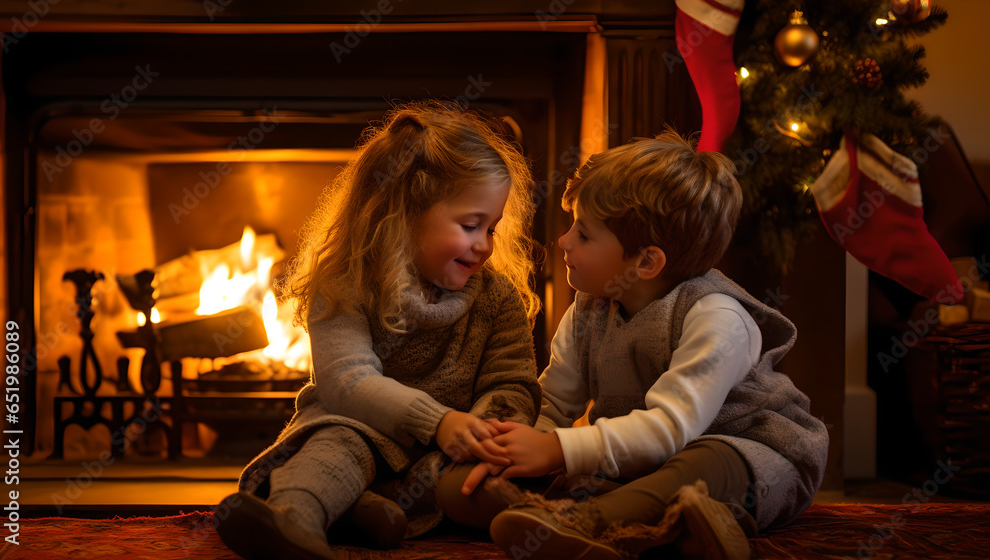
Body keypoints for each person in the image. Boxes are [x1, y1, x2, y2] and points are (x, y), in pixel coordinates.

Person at [446, 129, 830, 560]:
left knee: (706, 460)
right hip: (644, 465)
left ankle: (585, 524)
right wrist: (513, 450)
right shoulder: (589, 308)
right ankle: (676, 527)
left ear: (647, 261)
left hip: (751, 455)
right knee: (468, 487)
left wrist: (556, 450)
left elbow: (669, 428)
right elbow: (553, 402)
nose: (564, 241)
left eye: (585, 235)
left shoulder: (717, 318)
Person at [214, 101, 544, 560]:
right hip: (360, 428)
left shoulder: (496, 297)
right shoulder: (346, 283)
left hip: (449, 451)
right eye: (471, 226)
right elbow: (348, 381)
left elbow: (513, 381)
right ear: (405, 212)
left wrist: (484, 431)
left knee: (480, 477)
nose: (486, 245)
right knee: (337, 447)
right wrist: (438, 421)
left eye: (493, 228)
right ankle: (295, 521)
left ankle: (366, 511)